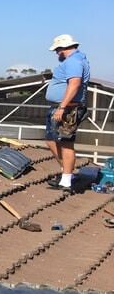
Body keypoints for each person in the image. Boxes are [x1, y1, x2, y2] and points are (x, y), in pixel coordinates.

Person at [44, 34, 90, 190]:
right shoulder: (75, 61)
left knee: (65, 143)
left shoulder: (74, 62)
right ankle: (67, 173)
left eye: (57, 50)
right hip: (62, 107)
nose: (57, 53)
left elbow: (74, 84)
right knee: (51, 140)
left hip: (68, 108)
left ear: (63, 48)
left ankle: (66, 180)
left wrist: (62, 107)